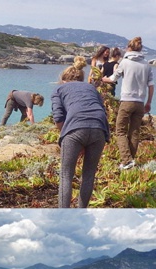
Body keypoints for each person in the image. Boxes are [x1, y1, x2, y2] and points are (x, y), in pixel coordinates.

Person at [52, 65, 110, 208]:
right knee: (89, 174)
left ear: (63, 79)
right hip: (99, 128)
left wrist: (67, 135)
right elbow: (102, 110)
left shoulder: (59, 89)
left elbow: (58, 118)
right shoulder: (91, 88)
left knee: (66, 175)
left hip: (75, 128)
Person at [102, 36, 154, 170]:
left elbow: (113, 78)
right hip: (140, 102)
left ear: (129, 48)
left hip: (126, 101)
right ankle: (130, 161)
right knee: (135, 132)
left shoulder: (125, 62)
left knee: (120, 131)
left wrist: (103, 79)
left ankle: (126, 160)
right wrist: (148, 102)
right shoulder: (146, 64)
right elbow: (151, 85)